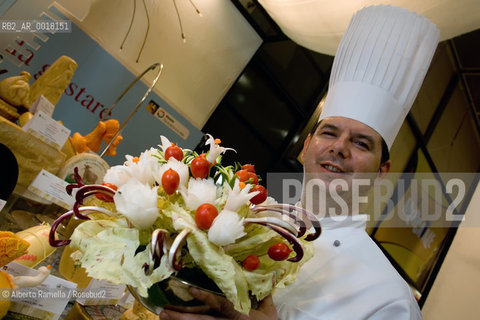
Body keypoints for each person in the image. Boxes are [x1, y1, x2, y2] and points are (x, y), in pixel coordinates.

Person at [159, 5, 439, 320]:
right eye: (329, 132)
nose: (339, 147)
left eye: (361, 142)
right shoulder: (242, 222)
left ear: (381, 173)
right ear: (305, 148)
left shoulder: (389, 299)